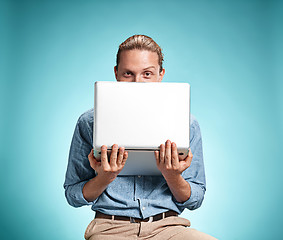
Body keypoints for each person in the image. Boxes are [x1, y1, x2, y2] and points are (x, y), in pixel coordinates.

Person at [64, 35, 217, 240]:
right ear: (116, 73)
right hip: (110, 229)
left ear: (160, 75)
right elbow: (73, 195)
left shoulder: (187, 124)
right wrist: (105, 177)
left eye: (147, 74)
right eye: (128, 73)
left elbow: (195, 199)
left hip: (168, 228)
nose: (137, 82)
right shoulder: (89, 123)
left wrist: (173, 177)